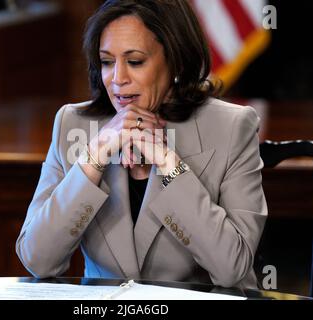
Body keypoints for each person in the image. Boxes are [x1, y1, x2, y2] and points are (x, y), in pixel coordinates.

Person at [16, 0, 267, 289]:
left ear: (176, 61)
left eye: (134, 61)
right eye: (107, 62)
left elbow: (232, 269)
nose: (117, 79)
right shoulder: (73, 124)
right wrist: (94, 157)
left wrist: (167, 163)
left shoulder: (231, 127)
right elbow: (37, 259)